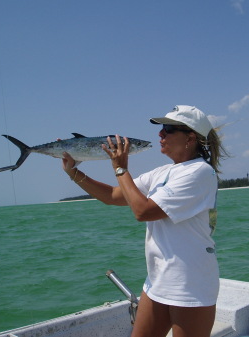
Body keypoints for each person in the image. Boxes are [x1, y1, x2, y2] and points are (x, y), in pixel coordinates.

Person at [62, 105, 228, 337]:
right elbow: (113, 196)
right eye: (161, 129)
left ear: (190, 137)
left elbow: (143, 212)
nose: (160, 134)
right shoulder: (162, 173)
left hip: (190, 284)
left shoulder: (199, 173)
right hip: (157, 281)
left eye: (168, 129)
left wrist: (120, 168)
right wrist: (74, 173)